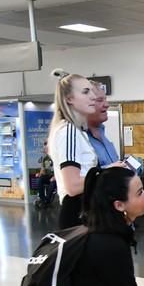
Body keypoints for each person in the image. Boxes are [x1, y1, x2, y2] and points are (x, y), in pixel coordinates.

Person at [47, 71, 98, 229]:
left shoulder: (77, 131)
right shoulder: (68, 131)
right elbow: (73, 186)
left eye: (91, 91)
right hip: (77, 213)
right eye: (85, 92)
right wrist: (108, 174)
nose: (93, 96)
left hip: (84, 211)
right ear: (69, 99)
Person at [87, 81, 120, 169]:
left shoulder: (102, 132)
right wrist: (109, 169)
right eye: (100, 100)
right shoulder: (77, 138)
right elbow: (76, 179)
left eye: (105, 99)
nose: (107, 105)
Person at [36, 140, 56, 207]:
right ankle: (42, 199)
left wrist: (55, 177)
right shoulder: (45, 158)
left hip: (57, 178)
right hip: (48, 176)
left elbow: (61, 170)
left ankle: (47, 200)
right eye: (44, 148)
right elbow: (43, 169)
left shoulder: (57, 157)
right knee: (40, 180)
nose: (44, 150)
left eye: (46, 148)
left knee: (53, 183)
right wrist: (40, 174)